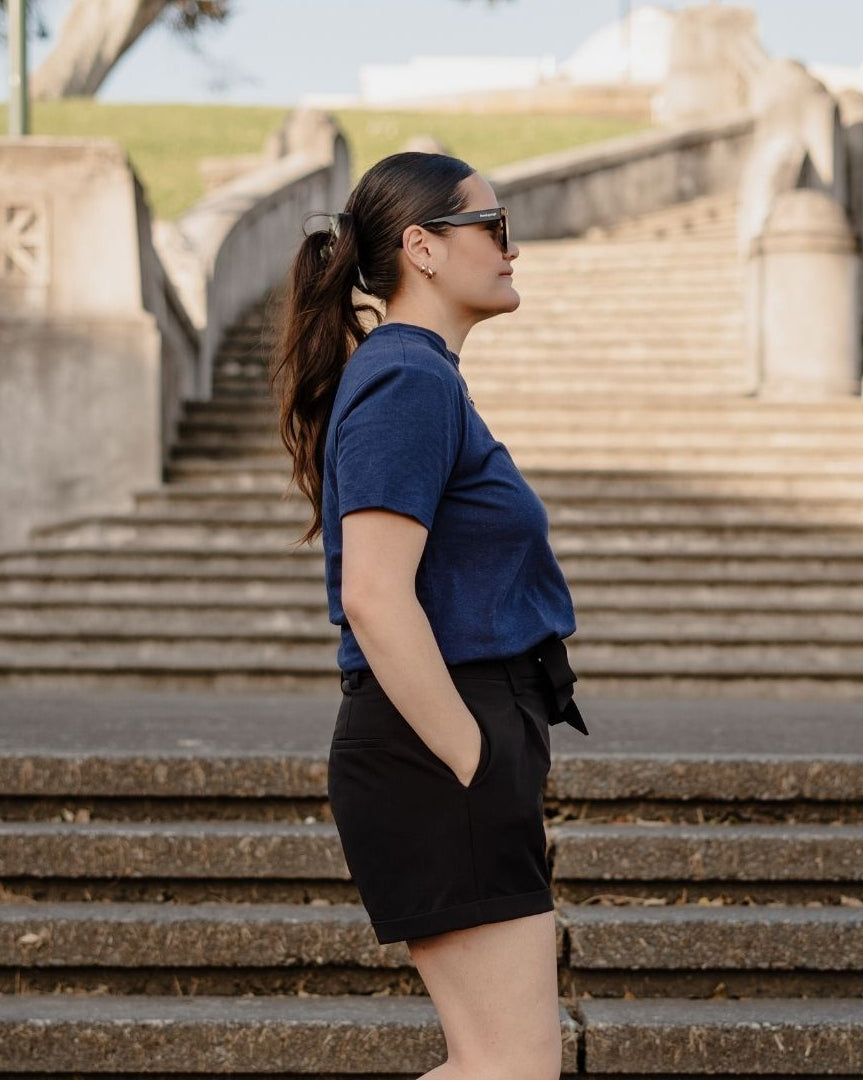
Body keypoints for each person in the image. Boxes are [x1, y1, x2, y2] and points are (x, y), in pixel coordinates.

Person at [269, 151, 590, 1080]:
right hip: (435, 738)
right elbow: (373, 591)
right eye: (494, 226)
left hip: (450, 732)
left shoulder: (418, 375)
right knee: (512, 1064)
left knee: (501, 1062)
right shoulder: (407, 378)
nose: (512, 248)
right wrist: (470, 752)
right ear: (423, 248)